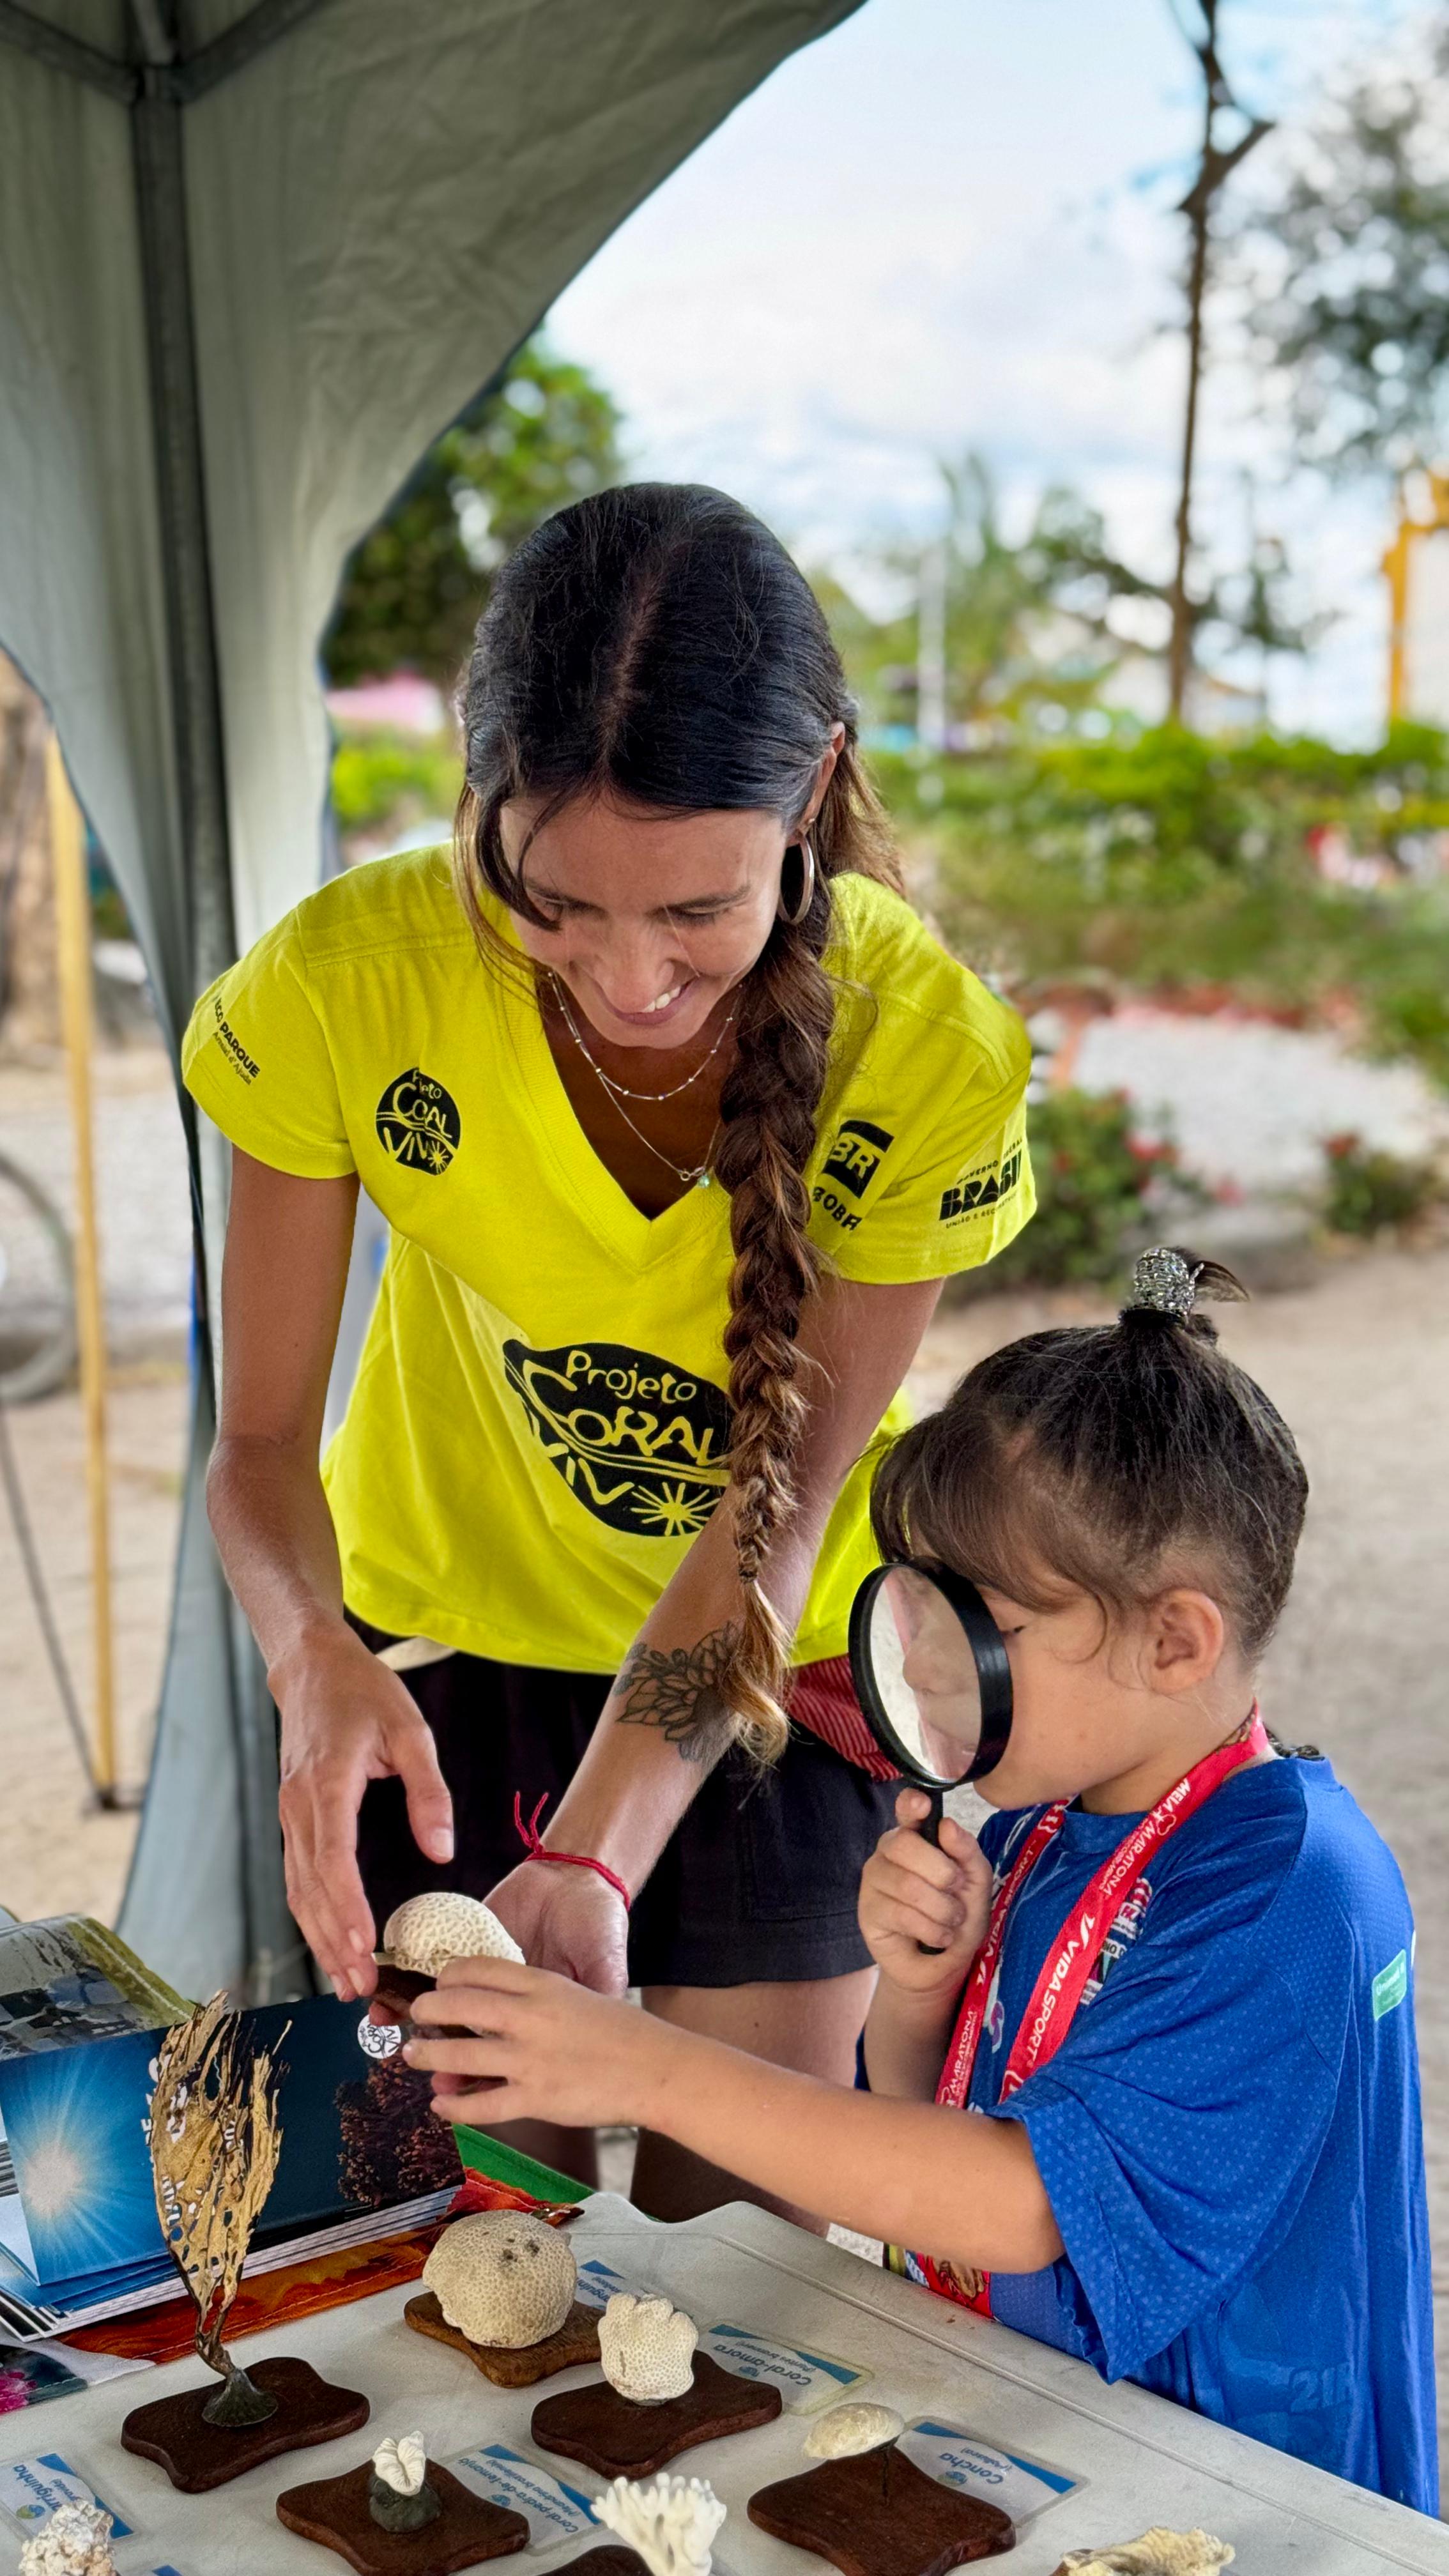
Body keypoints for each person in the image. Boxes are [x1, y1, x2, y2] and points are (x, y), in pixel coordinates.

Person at [183, 482, 1035, 2221]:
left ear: (805, 799)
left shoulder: (920, 1046)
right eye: (553, 904)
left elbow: (774, 1524)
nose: (625, 979)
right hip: (443, 1652)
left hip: (767, 1680)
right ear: (479, 801)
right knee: (491, 2238)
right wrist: (306, 1656)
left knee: (753, 2283)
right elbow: (257, 1447)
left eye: (697, 914)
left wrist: (592, 1852)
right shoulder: (348, 983)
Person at [406, 1248, 1437, 2513]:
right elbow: (926, 2111)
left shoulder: (1287, 1892)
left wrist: (639, 2070)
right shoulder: (1044, 1825)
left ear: (1175, 1639)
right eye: (917, 1617)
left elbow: (1015, 2205)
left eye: (976, 1627)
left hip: (1241, 2489)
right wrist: (918, 1995)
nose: (931, 1674)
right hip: (1060, 2437)